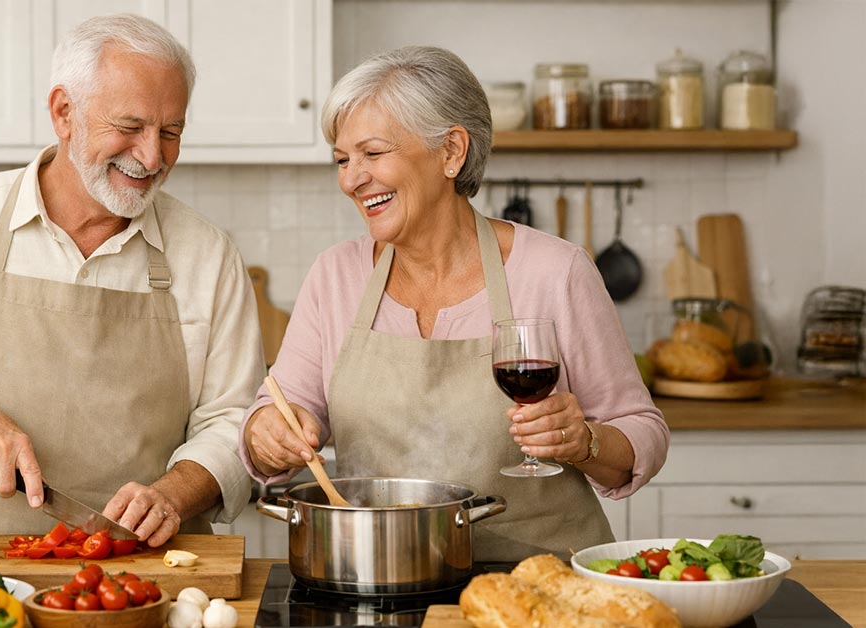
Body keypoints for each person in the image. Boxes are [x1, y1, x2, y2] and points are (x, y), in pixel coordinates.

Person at [0, 14, 264, 546]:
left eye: (170, 132)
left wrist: (175, 493)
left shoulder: (208, 255)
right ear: (64, 112)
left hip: (143, 583)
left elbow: (235, 421)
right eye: (129, 127)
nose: (152, 156)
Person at [239, 46, 669, 560]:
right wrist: (265, 435)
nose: (352, 179)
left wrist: (585, 442)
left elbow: (642, 433)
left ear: (451, 152)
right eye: (342, 159)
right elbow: (278, 412)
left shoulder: (556, 271)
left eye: (373, 154)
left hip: (540, 582)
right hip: (386, 576)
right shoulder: (335, 275)